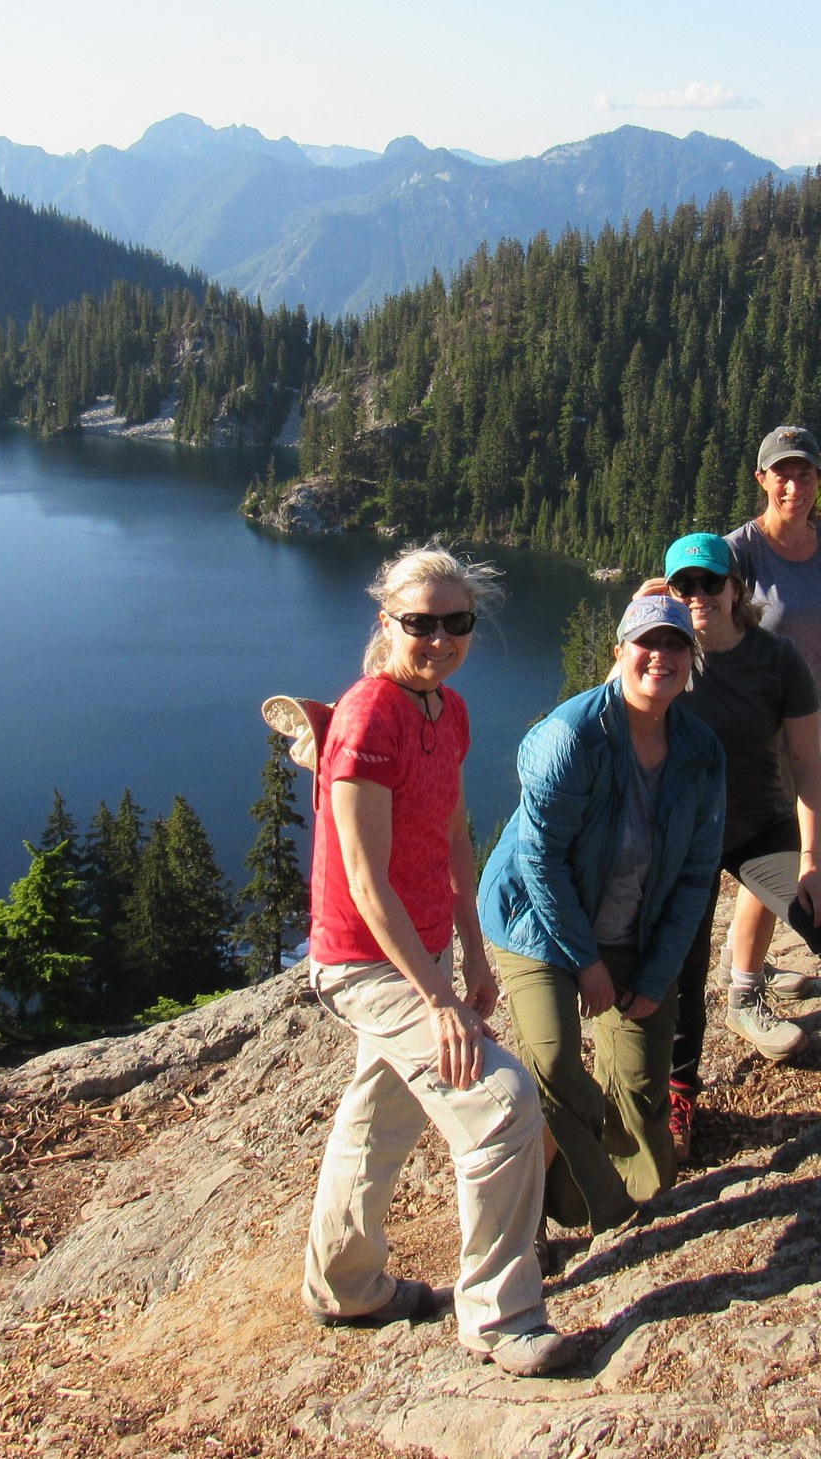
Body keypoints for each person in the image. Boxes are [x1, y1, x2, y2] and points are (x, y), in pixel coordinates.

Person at [298, 546, 570, 1379]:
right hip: (364, 962)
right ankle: (498, 1310)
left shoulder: (444, 711)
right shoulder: (367, 718)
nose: (441, 638)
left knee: (379, 1117)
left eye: (458, 623)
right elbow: (366, 881)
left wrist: (472, 954)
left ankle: (343, 1284)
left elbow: (454, 837)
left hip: (421, 951)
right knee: (500, 1104)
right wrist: (438, 999)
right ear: (387, 623)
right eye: (420, 623)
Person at [478, 596, 725, 1233]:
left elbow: (697, 876)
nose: (661, 657)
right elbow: (541, 862)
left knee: (644, 1087)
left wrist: (655, 973)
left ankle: (648, 1199)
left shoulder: (700, 751)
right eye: (647, 643)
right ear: (619, 653)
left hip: (631, 925)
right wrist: (586, 963)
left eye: (676, 646)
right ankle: (598, 1210)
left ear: (690, 660)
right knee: (558, 1063)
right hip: (534, 917)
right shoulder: (572, 736)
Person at [656, 533, 821, 1156]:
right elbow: (609, 714)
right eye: (683, 586)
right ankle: (680, 1090)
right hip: (682, 838)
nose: (698, 596)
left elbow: (808, 763)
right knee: (681, 967)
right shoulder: (665, 655)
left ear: (738, 587)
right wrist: (644, 621)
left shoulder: (776, 659)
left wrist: (814, 861)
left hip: (757, 827)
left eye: (711, 582)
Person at [722, 424, 821, 1008]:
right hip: (764, 742)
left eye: (805, 472)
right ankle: (744, 990)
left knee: (787, 856)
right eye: (782, 473)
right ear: (762, 480)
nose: (794, 485)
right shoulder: (741, 551)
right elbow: (703, 623)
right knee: (779, 861)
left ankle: (748, 963)